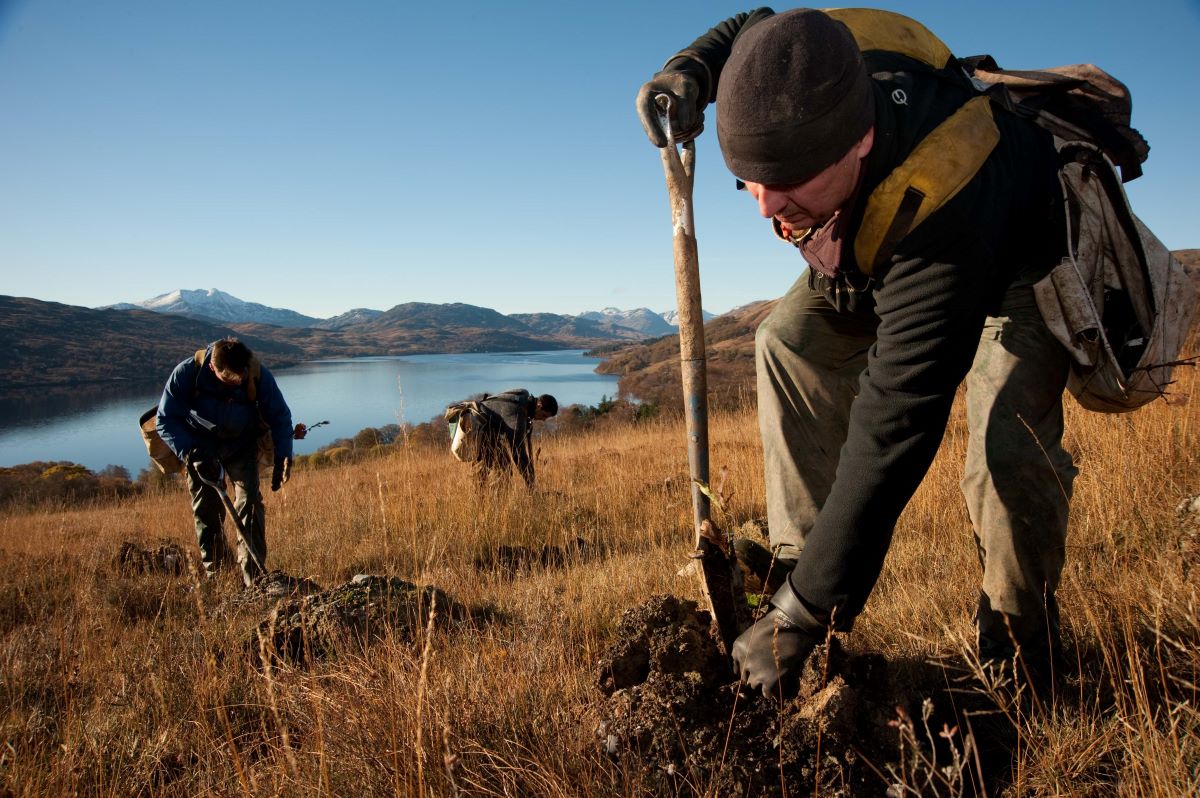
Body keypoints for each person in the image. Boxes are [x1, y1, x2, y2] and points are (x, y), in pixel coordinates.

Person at [637, 8, 1076, 699]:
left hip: (1019, 258)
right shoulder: (813, 57)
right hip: (872, 240)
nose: (763, 207)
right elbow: (756, 29)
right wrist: (691, 65)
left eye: (788, 183)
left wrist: (799, 618)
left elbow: (894, 424)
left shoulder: (945, 199)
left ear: (860, 139)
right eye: (749, 180)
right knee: (786, 341)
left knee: (1005, 455)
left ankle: (1021, 665)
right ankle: (800, 567)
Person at [156, 337, 295, 585]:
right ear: (213, 368)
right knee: (207, 513)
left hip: (241, 446)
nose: (237, 383)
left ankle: (254, 579)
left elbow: (280, 417)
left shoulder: (254, 373)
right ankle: (218, 578)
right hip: (200, 450)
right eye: (230, 379)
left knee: (250, 504)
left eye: (240, 377)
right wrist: (191, 453)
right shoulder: (187, 373)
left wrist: (284, 456)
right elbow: (165, 420)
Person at [464, 389, 558, 487]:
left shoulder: (523, 397)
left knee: (503, 467)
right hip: (478, 428)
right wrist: (530, 482)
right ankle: (478, 498)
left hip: (484, 427)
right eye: (544, 415)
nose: (543, 420)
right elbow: (518, 453)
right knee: (489, 466)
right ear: (539, 406)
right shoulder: (517, 414)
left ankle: (493, 498)